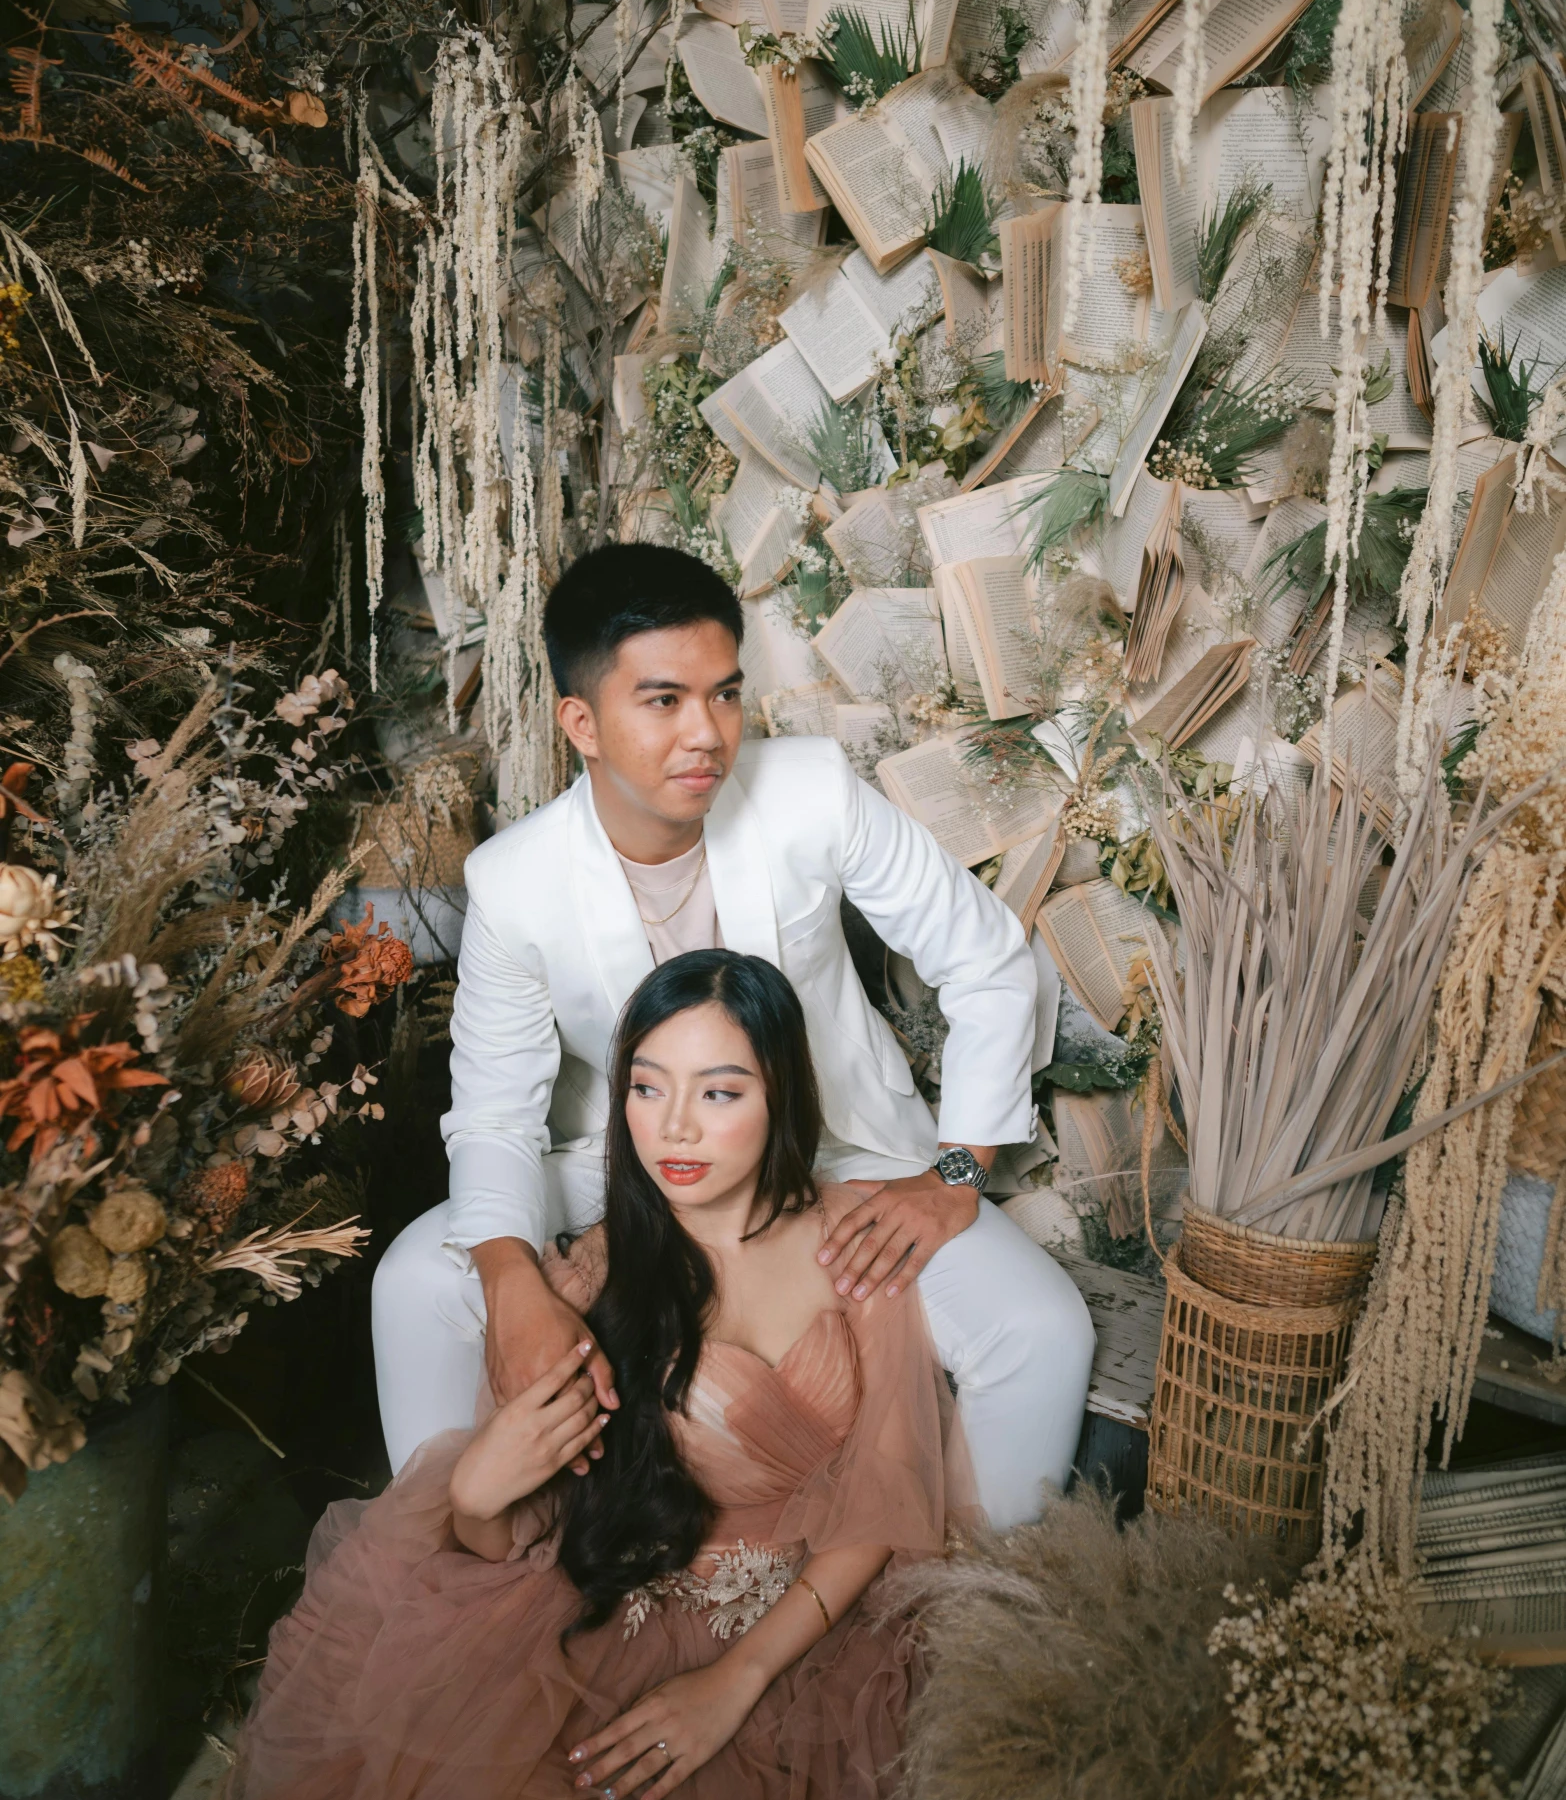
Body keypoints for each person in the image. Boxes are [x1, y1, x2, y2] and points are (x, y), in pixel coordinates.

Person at [102, 953, 979, 1800]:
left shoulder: (854, 1241)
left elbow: (884, 1504)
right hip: (601, 1636)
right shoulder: (591, 1282)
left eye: (721, 1090)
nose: (678, 1129)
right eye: (647, 1086)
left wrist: (736, 1681)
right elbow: (507, 1534)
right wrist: (478, 1486)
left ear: (782, 1093)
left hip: (813, 1657)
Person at [373, 542, 1094, 1529]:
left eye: (724, 694)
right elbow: (493, 1111)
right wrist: (512, 1282)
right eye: (664, 700)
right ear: (579, 721)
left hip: (835, 1146)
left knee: (1042, 1330)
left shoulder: (811, 791)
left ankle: (978, 1629)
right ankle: (453, 1549)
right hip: (631, 1153)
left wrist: (955, 1175)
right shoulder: (515, 880)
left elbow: (989, 959)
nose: (706, 734)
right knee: (420, 1278)